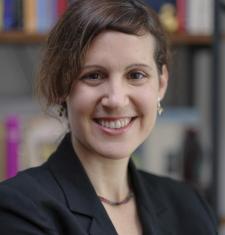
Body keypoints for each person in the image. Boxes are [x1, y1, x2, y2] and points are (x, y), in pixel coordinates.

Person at [0, 0, 218, 234]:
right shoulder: (19, 208)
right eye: (94, 76)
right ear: (62, 84)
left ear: (161, 83)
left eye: (136, 75)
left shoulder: (189, 206)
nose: (116, 99)